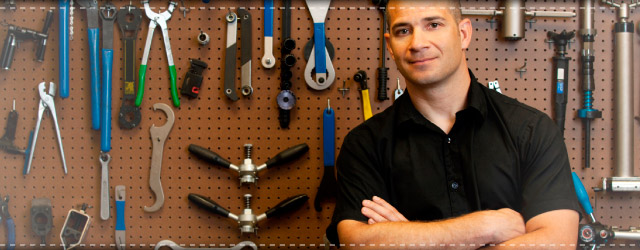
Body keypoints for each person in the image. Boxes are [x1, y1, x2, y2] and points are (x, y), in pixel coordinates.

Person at [326, 0, 580, 249]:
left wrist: (409, 239)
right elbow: (357, 241)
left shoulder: (531, 130)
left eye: (433, 25)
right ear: (390, 46)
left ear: (463, 34)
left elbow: (557, 241)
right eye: (403, 31)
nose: (418, 43)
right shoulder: (365, 145)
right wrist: (485, 227)